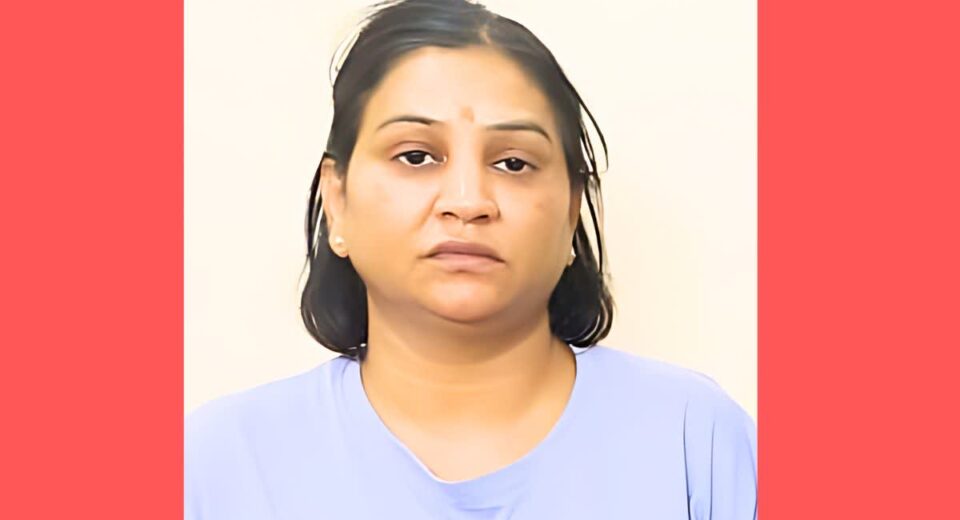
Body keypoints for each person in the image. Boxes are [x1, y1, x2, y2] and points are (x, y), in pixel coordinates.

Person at [184, 0, 757, 518]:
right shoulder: (219, 464)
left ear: (570, 211)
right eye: (415, 156)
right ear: (337, 201)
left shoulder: (693, 439)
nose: (467, 201)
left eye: (513, 163)